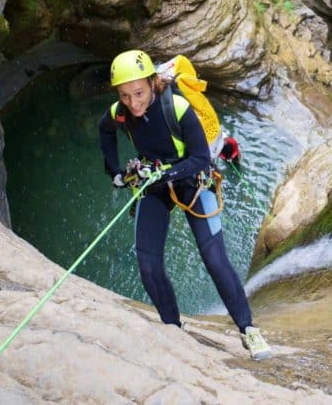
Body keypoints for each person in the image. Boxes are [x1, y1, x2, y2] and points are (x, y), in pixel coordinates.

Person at [98, 50, 272, 360]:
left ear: (153, 83)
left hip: (192, 180)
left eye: (138, 93)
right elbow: (105, 130)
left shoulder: (177, 108)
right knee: (148, 266)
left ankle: (248, 330)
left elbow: (200, 159)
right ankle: (173, 330)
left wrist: (166, 173)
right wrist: (115, 172)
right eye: (125, 95)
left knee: (214, 259)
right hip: (155, 185)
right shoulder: (120, 112)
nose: (133, 102)